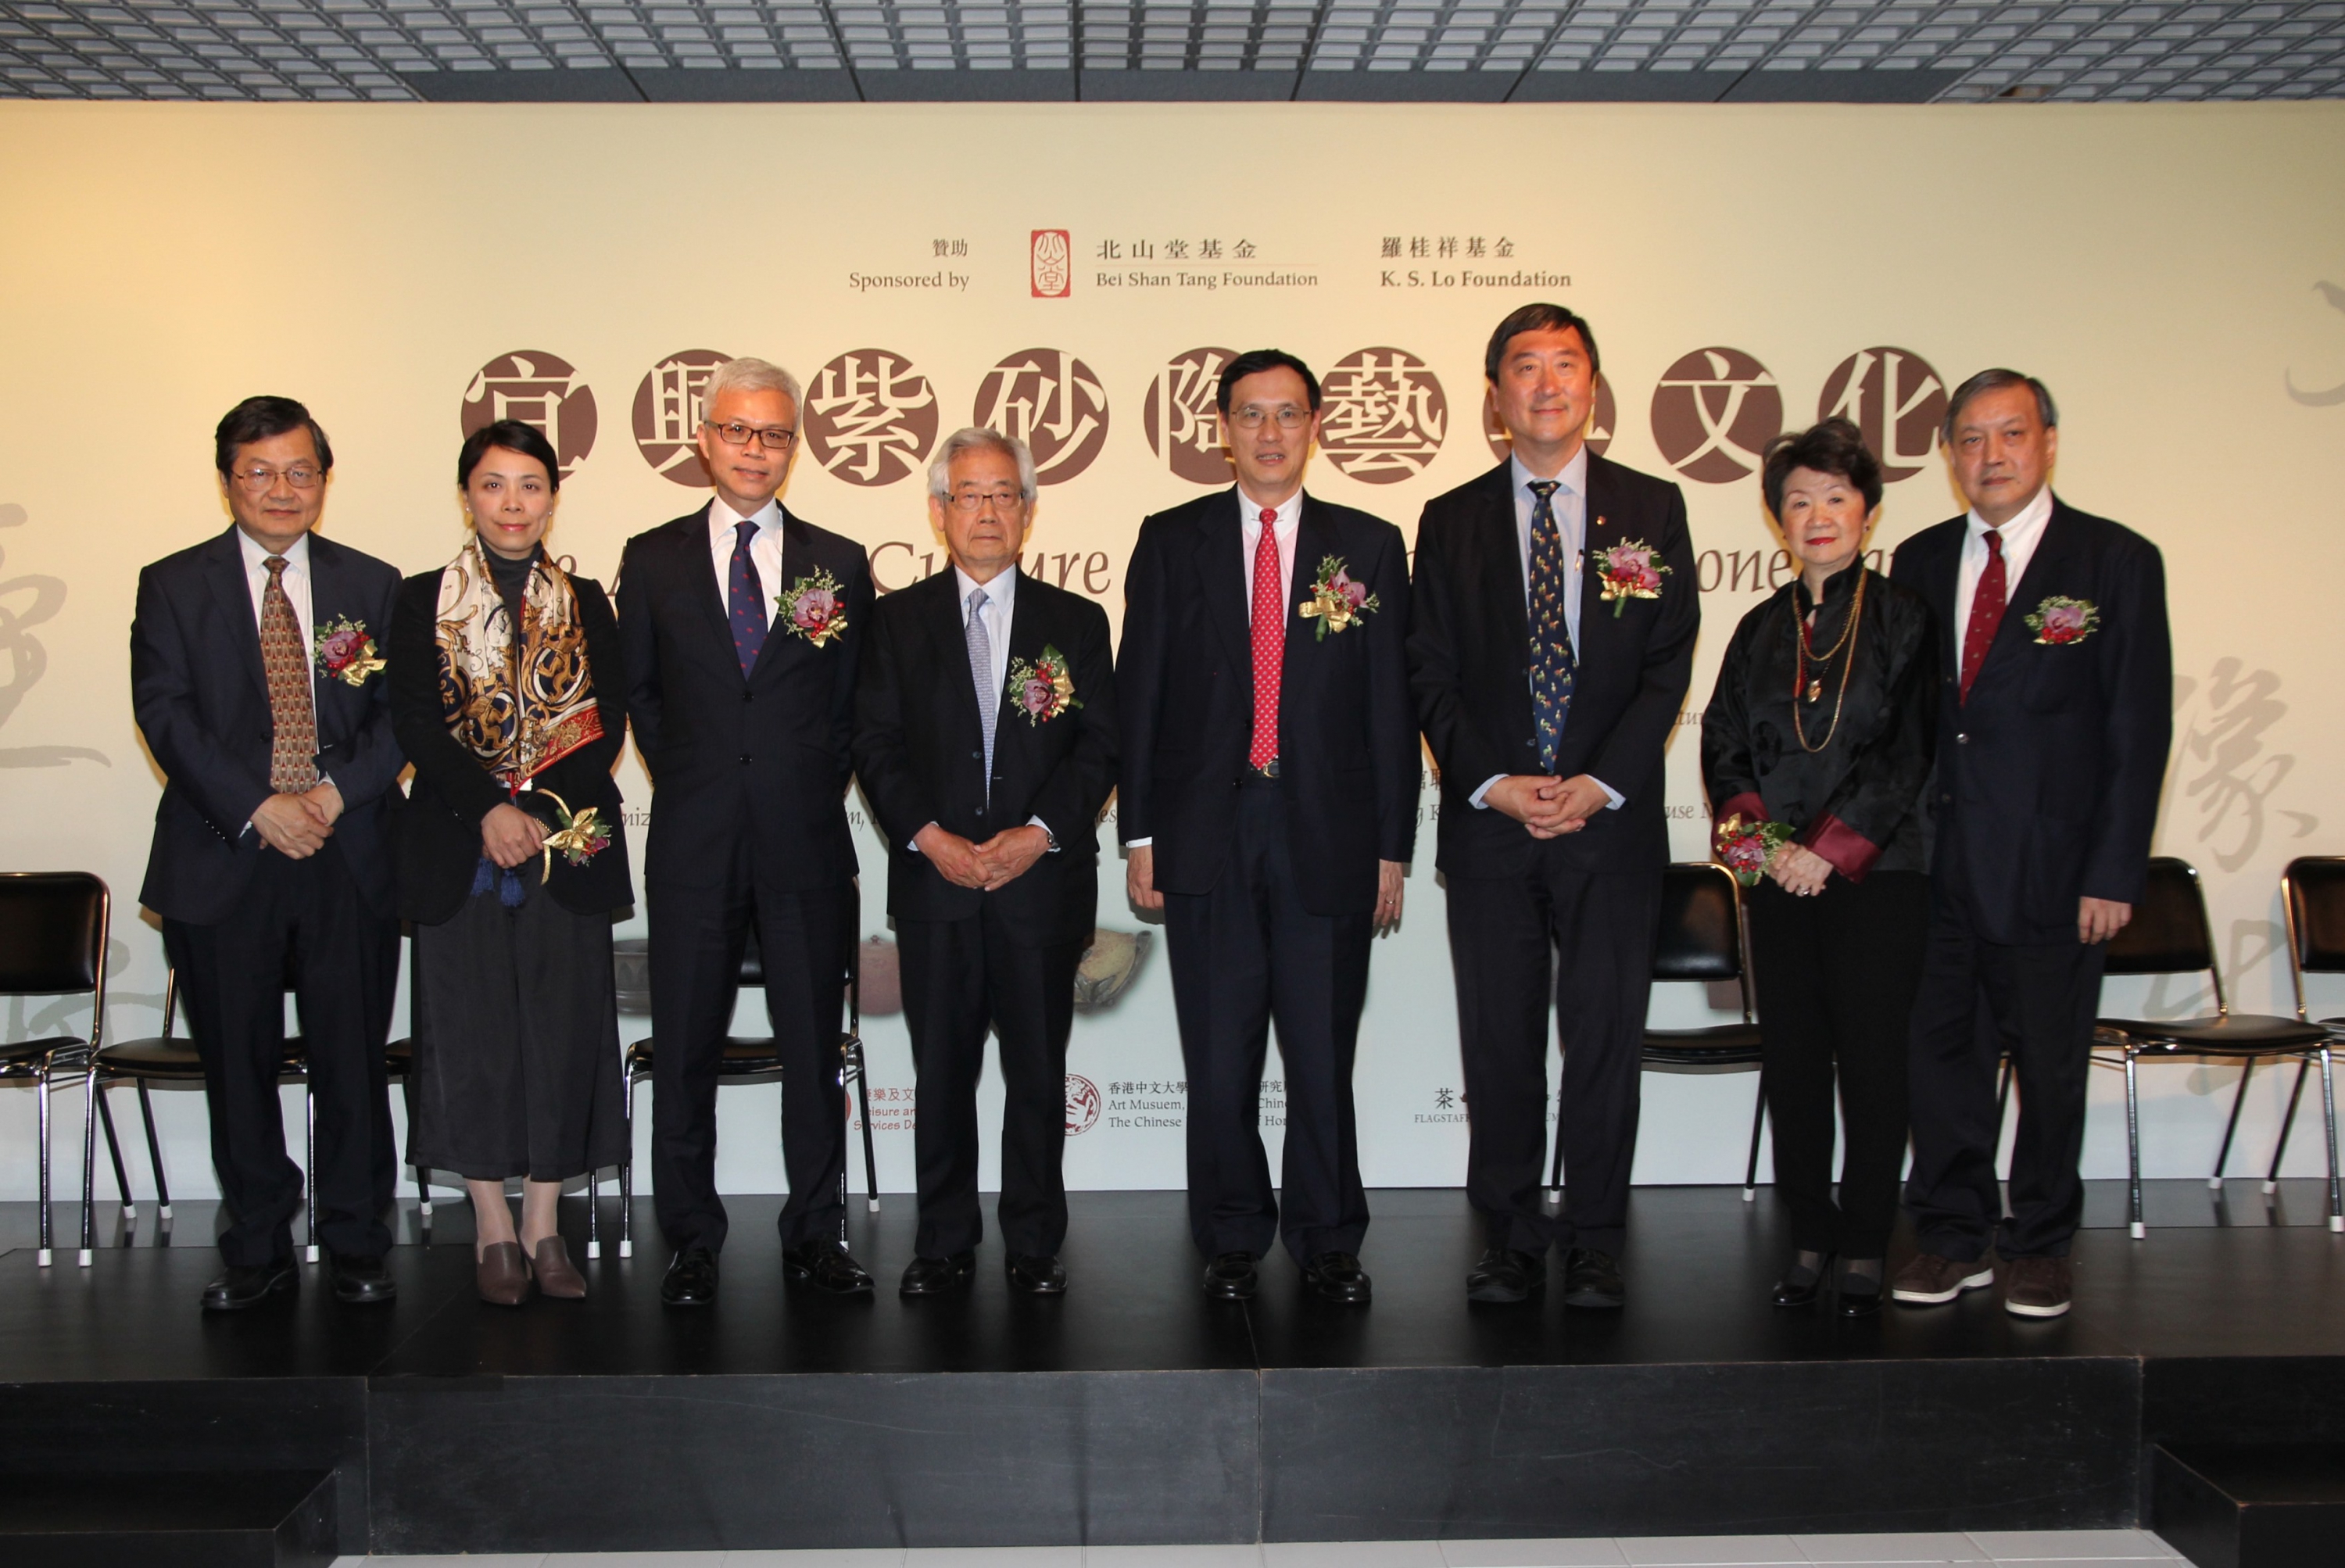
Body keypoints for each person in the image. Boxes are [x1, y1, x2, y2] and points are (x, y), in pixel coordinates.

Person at [1409, 303, 1699, 1309]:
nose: (1545, 384)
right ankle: (1510, 1235)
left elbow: (1666, 666)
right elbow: (1430, 671)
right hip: (1492, 829)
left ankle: (1598, 1236)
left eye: (1564, 365)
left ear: (1592, 386)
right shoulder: (1450, 520)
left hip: (1609, 826)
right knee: (1498, 1040)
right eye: (1523, 368)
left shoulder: (1652, 508)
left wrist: (1598, 780)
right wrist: (1492, 781)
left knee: (1605, 1037)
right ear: (1494, 397)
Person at [1119, 348, 1416, 1306]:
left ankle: (1329, 1234)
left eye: (1289, 413)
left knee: (1323, 1049)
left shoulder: (1366, 547)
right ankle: (1234, 1231)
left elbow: (1390, 709)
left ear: (1315, 425)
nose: (1271, 432)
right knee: (1220, 1049)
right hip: (1208, 829)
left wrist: (1391, 846)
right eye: (1251, 414)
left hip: (1327, 834)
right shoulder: (1171, 540)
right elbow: (1141, 698)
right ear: (1223, 429)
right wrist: (1141, 835)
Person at [1890, 371, 2171, 1320]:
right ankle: (1951, 1232)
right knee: (1943, 1060)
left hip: (2057, 869)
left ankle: (2040, 1240)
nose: (1991, 455)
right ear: (1948, 454)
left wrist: (2113, 869)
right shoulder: (1921, 561)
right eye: (1969, 439)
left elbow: (2138, 728)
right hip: (1936, 866)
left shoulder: (2114, 561)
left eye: (2010, 433)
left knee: (2049, 1065)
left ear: (2048, 440)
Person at [131, 396, 405, 1311]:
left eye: (299, 471)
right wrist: (260, 805)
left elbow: (399, 715)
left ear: (324, 480)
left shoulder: (373, 583)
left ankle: (359, 1237)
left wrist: (325, 797)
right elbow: (164, 713)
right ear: (227, 481)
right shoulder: (172, 584)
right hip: (225, 852)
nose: (280, 489)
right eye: (258, 472)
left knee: (351, 1059)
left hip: (347, 850)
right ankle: (256, 1244)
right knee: (237, 1062)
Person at [617, 355, 876, 1307]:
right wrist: (693, 774)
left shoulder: (837, 562)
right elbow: (638, 692)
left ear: (794, 447)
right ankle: (691, 1238)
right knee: (686, 1047)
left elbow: (853, 705)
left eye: (773, 433)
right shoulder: (651, 558)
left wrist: (800, 780)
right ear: (704, 437)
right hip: (692, 841)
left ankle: (815, 1233)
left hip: (804, 842)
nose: (754, 449)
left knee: (814, 1051)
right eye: (737, 430)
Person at [852, 428, 1118, 1298]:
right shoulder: (892, 621)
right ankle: (944, 1240)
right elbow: (877, 745)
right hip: (938, 888)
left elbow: (1098, 748)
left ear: (1031, 511)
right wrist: (931, 837)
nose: (988, 510)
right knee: (943, 1077)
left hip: (1039, 889)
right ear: (938, 511)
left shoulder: (1075, 622)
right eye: (969, 493)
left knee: (1038, 1076)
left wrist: (1037, 833)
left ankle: (1036, 1242)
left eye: (1005, 493)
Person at [389, 419, 630, 1308]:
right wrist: (486, 808)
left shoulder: (589, 598)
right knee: (470, 1036)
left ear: (553, 498)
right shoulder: (420, 600)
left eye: (531, 485)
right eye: (494, 485)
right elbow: (413, 720)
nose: (513, 502)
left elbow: (606, 720)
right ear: (467, 496)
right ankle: (491, 1226)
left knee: (564, 1035)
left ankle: (545, 1223)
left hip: (565, 840)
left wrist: (531, 812)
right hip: (458, 844)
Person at [1700, 419, 1937, 1319]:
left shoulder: (1908, 617)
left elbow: (1905, 750)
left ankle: (1869, 1237)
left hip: (1881, 878)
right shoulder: (1759, 627)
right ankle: (1809, 1232)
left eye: (1836, 496)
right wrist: (1768, 852)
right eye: (1798, 500)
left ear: (1868, 513)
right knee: (1794, 1059)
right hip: (1778, 884)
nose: (1818, 514)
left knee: (1874, 1060)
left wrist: (1829, 851)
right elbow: (1724, 752)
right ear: (1777, 521)